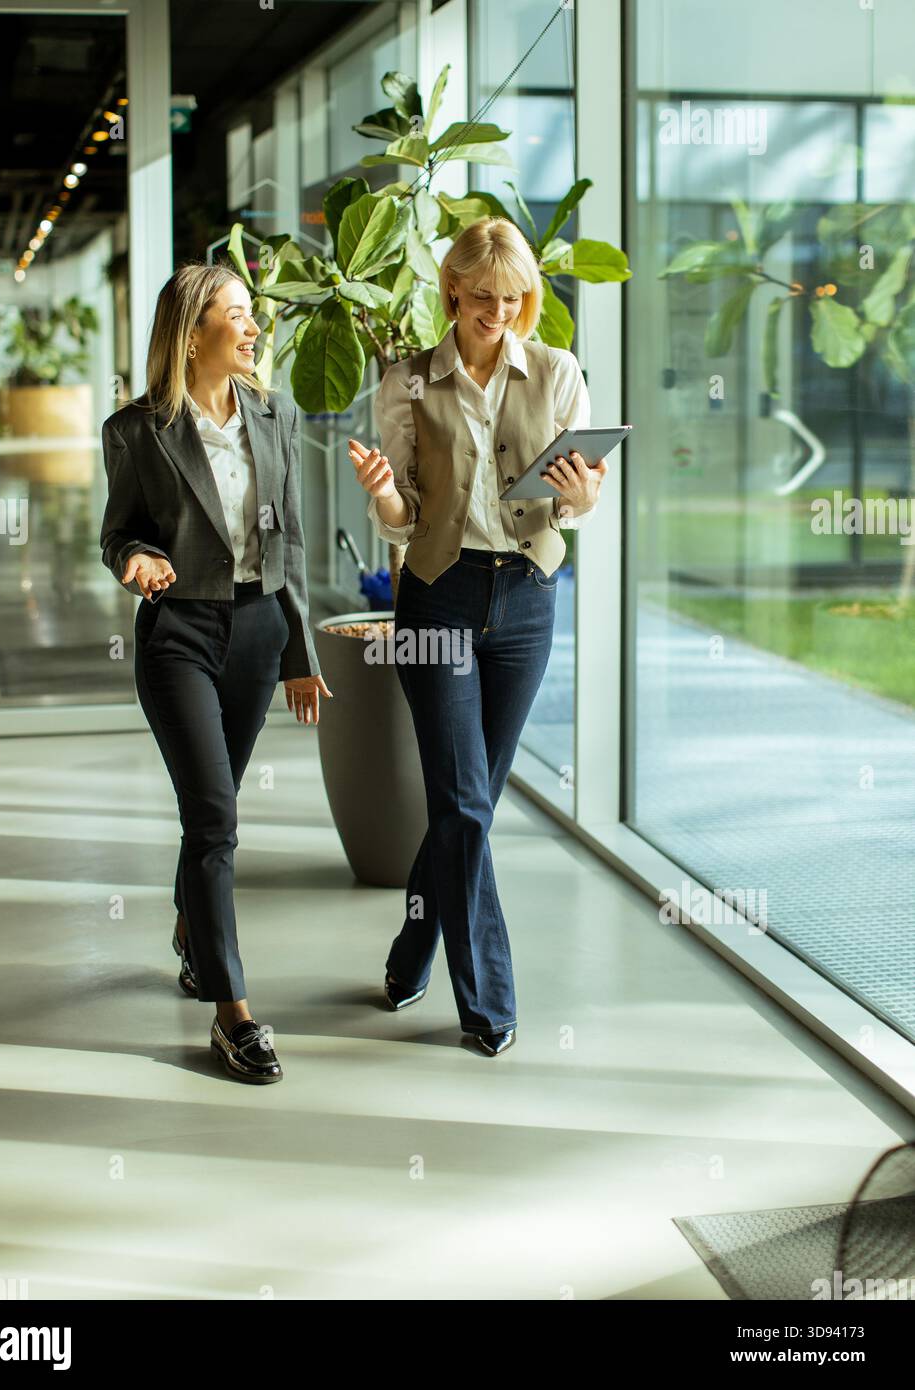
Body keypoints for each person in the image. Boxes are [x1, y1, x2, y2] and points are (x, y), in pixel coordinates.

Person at [348, 216, 606, 1057]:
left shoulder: (559, 373)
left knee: (473, 802)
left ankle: (410, 947)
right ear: (452, 290)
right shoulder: (407, 382)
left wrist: (579, 497)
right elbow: (401, 518)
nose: (498, 311)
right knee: (461, 800)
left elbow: (578, 504)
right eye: (482, 296)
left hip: (528, 597)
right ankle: (489, 1002)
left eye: (513, 297)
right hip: (438, 599)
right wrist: (385, 494)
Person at [99, 261, 331, 1084]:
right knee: (215, 821)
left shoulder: (273, 412)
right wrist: (135, 562)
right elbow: (117, 532)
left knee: (214, 810)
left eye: (251, 314)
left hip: (259, 632)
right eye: (236, 314)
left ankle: (191, 932)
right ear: (192, 332)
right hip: (180, 637)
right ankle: (233, 1015)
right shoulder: (137, 429)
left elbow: (292, 541)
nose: (253, 327)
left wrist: (298, 656)